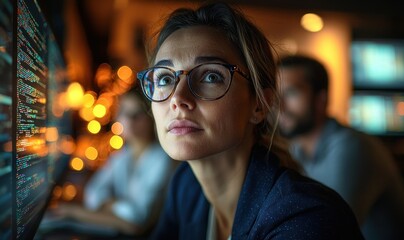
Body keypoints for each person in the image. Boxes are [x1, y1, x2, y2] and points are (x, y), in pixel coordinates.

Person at [136, 2, 364, 239]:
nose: (178, 98)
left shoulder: (306, 217)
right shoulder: (186, 187)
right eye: (164, 79)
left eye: (211, 76)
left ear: (259, 105)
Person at [276, 54, 404, 240]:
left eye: (291, 93)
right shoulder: (296, 150)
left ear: (321, 99)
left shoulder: (352, 147)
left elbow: (327, 230)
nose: (279, 105)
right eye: (277, 94)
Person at [48, 87, 176, 237]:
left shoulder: (162, 159)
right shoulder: (122, 155)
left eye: (136, 114)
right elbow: (93, 193)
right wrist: (119, 209)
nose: (128, 120)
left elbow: (136, 222)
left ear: (151, 117)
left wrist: (76, 212)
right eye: (124, 113)